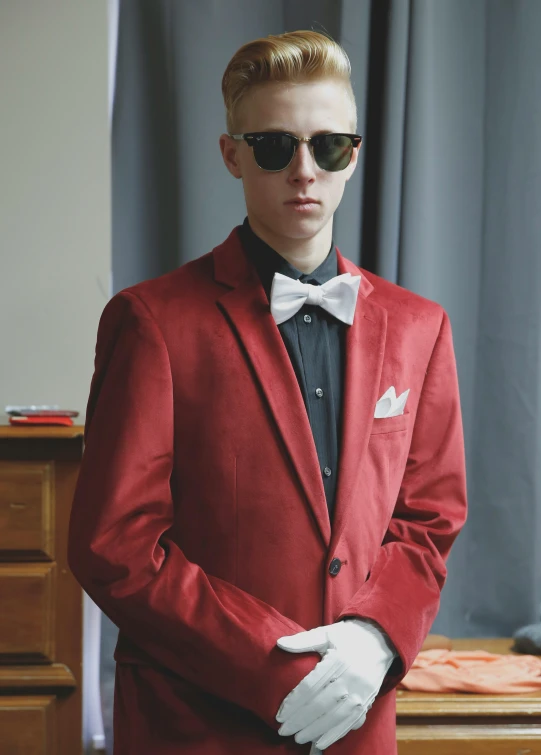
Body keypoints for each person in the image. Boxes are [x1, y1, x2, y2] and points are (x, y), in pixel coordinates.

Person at [68, 29, 468, 755]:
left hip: (356, 717)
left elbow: (429, 517)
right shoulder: (152, 321)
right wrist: (275, 666)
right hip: (195, 725)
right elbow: (114, 545)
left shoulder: (420, 327)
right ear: (232, 155)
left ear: (355, 153)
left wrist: (375, 640)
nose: (304, 171)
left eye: (329, 146)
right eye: (275, 147)